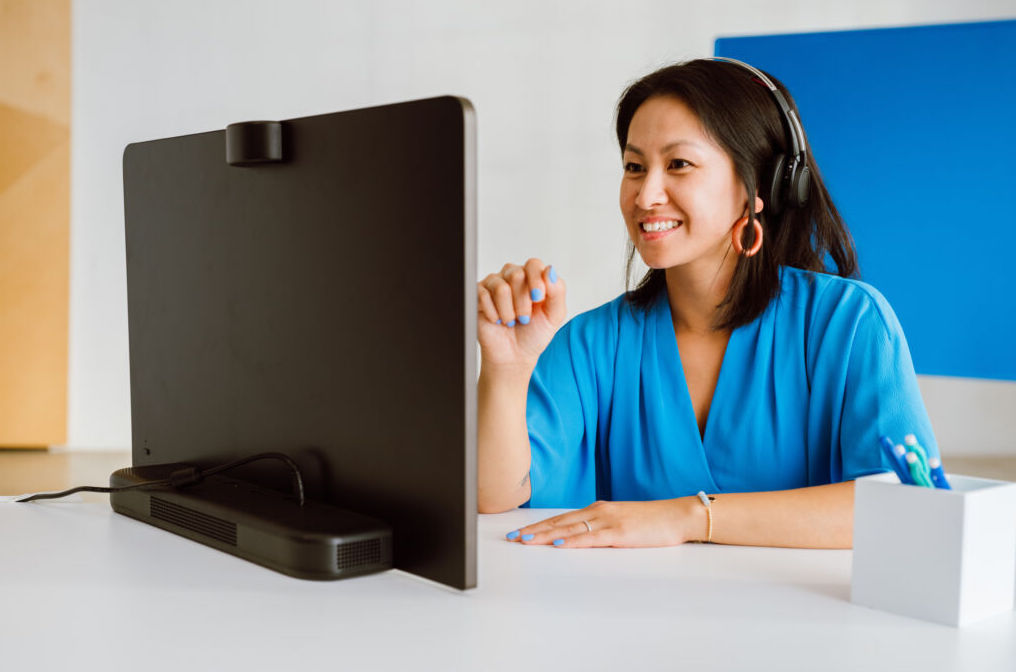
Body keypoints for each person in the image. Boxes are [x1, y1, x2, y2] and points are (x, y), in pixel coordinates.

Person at [475, 58, 937, 550]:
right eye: (634, 167)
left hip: (811, 622)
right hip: (625, 621)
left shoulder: (849, 324)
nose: (646, 194)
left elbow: (907, 508)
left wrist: (688, 518)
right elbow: (496, 496)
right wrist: (507, 367)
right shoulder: (589, 343)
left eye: (679, 164)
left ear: (759, 186)